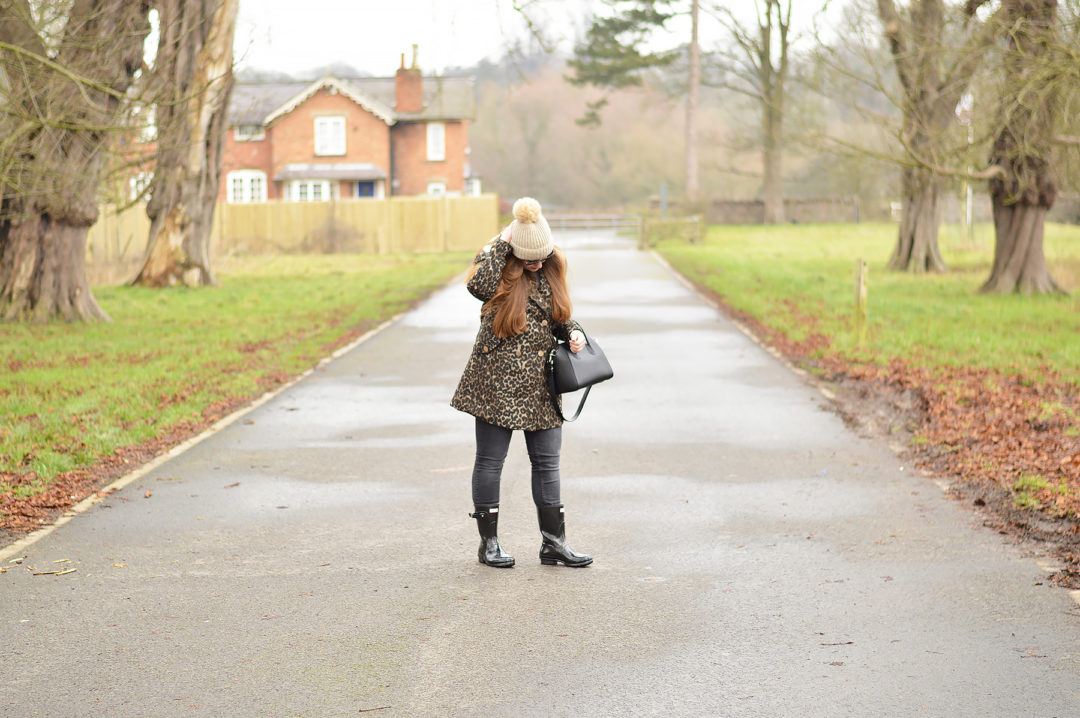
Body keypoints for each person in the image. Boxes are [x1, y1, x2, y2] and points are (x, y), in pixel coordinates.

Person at [451, 197, 593, 569]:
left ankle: (553, 543)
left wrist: (574, 333)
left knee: (548, 463)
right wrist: (502, 241)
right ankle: (489, 544)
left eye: (541, 257)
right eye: (529, 258)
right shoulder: (498, 269)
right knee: (490, 461)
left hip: (540, 384)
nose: (537, 264)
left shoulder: (550, 266)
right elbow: (476, 287)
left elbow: (560, 316)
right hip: (495, 381)